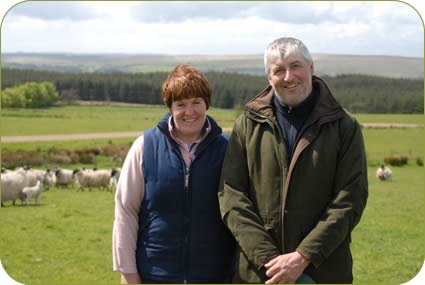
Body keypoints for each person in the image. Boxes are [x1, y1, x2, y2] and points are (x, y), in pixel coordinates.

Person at [218, 37, 368, 284]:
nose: (289, 77)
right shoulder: (247, 124)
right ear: (269, 77)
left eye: (296, 65)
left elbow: (350, 199)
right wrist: (270, 260)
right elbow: (231, 195)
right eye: (278, 70)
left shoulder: (344, 126)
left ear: (311, 68)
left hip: (324, 272)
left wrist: (303, 256)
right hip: (259, 274)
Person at [113, 64, 236, 284]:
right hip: (155, 275)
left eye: (196, 102)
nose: (189, 112)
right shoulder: (144, 147)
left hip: (213, 276)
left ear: (207, 103)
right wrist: (128, 272)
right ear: (170, 107)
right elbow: (126, 210)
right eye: (180, 104)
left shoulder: (228, 150)